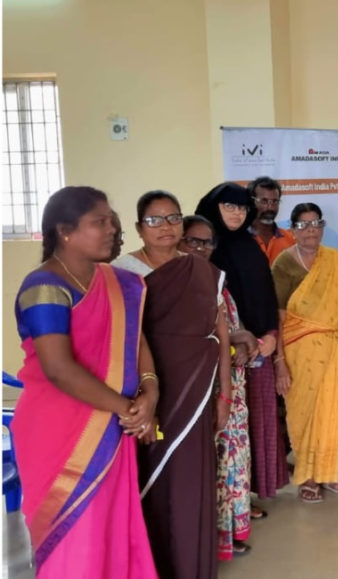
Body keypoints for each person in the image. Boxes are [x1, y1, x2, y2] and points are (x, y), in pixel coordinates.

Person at [12, 186, 158, 578]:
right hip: (59, 430)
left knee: (109, 529)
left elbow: (137, 340)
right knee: (74, 539)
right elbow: (59, 368)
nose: (112, 229)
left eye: (111, 220)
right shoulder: (44, 286)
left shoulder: (119, 283)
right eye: (99, 222)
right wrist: (130, 409)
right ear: (65, 231)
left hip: (113, 424)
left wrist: (151, 390)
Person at [112, 190, 231, 579]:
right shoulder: (122, 271)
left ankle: (191, 564)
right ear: (138, 228)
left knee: (190, 479)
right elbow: (122, 338)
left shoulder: (199, 270)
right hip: (146, 393)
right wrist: (137, 399)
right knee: (151, 478)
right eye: (154, 220)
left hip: (196, 391)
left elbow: (220, 332)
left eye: (173, 218)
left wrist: (225, 393)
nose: (165, 227)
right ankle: (151, 567)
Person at [196, 183, 288, 501]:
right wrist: (237, 340)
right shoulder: (203, 249)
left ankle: (247, 496)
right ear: (214, 208)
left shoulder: (249, 246)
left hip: (260, 348)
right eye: (229, 206)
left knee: (257, 422)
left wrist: (270, 335)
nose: (237, 213)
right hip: (225, 353)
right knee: (228, 428)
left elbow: (266, 295)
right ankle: (230, 501)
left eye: (242, 207)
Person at [179, 216, 258, 561]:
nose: (200, 248)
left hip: (231, 386)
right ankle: (206, 539)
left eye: (207, 242)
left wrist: (242, 341)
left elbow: (230, 327)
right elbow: (192, 338)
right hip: (202, 389)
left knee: (230, 462)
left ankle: (228, 533)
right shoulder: (177, 282)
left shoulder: (216, 280)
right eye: (192, 241)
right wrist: (237, 339)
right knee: (206, 465)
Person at [273, 203, 338, 504]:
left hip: (335, 349)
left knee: (333, 412)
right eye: (303, 225)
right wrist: (279, 363)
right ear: (293, 230)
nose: (310, 231)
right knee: (304, 414)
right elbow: (278, 317)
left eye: (315, 224)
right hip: (299, 353)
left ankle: (330, 472)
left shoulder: (334, 259)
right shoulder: (283, 264)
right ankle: (309, 476)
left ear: (322, 227)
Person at [248, 176, 296, 265]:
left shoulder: (291, 240)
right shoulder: (238, 239)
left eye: (275, 202)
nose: (270, 207)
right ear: (251, 202)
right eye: (264, 201)